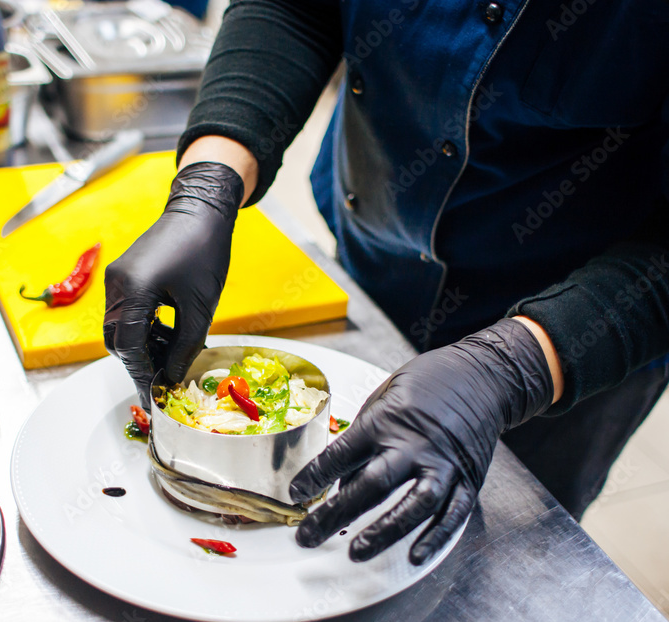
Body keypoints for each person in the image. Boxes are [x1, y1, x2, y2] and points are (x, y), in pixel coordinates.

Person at [103, 0, 669, 565]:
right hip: (370, 260)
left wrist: (512, 366)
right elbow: (295, 9)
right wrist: (210, 180)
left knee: (486, 566)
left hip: (575, 340)